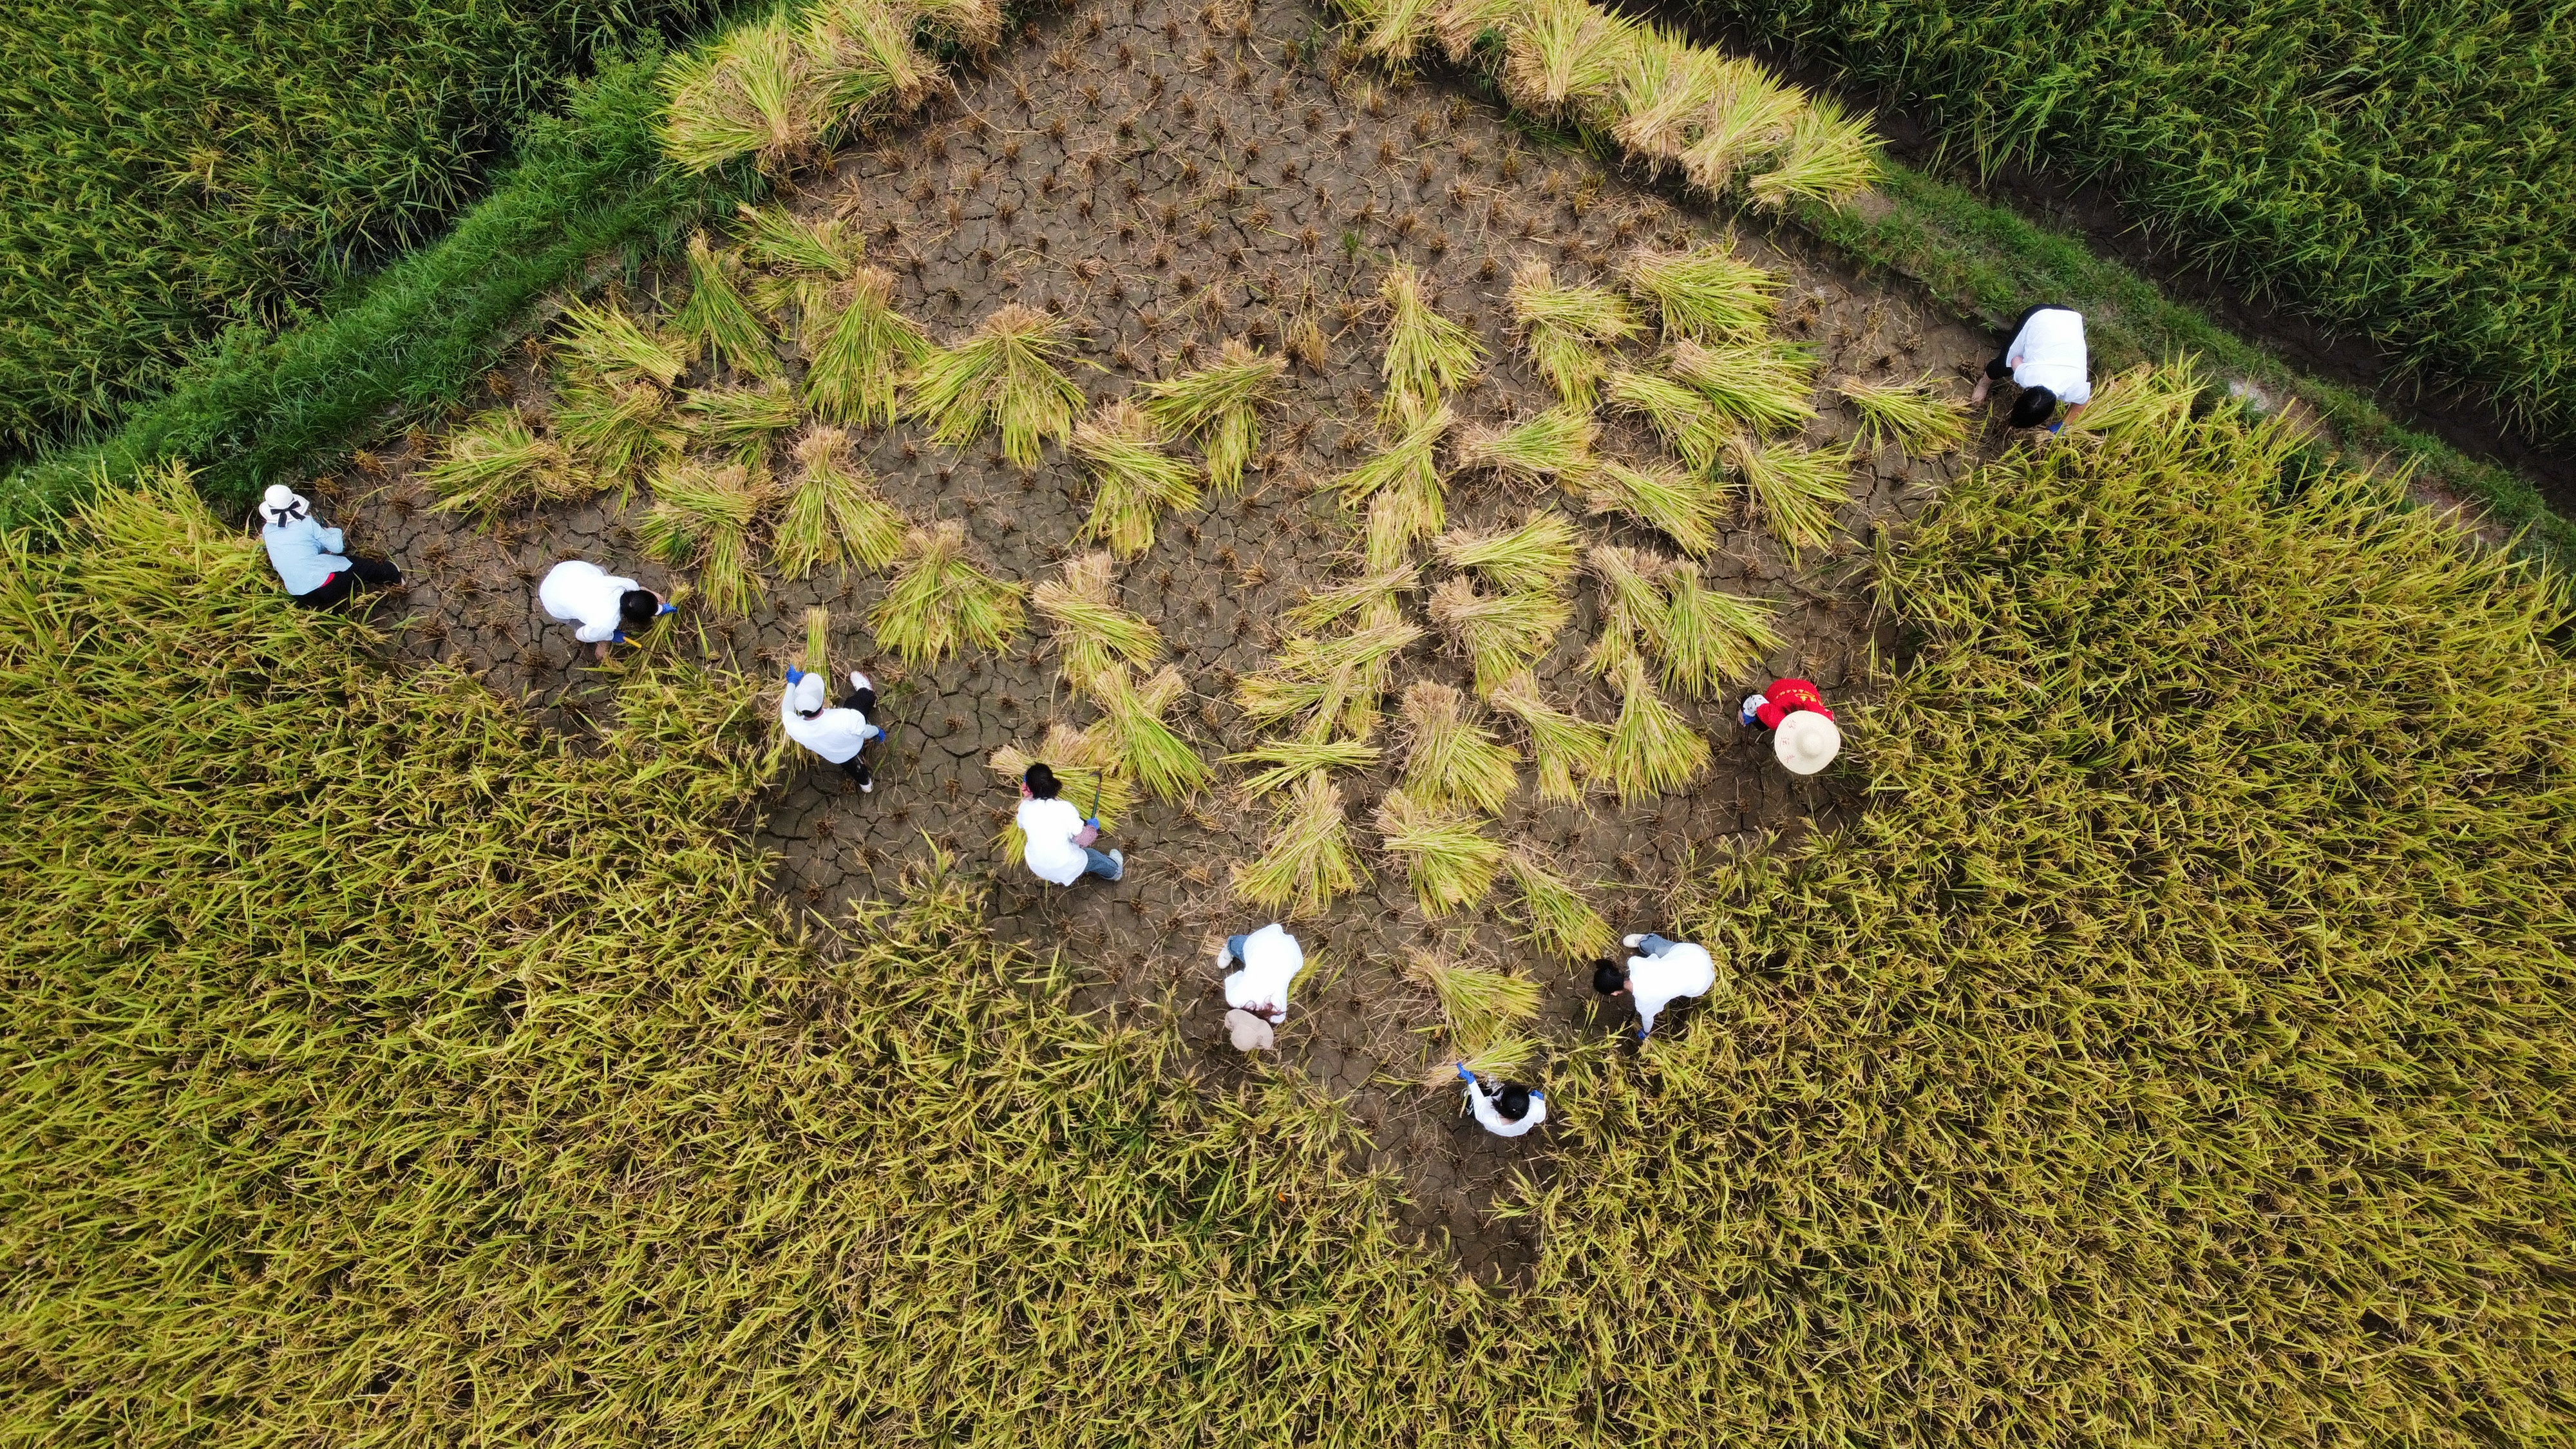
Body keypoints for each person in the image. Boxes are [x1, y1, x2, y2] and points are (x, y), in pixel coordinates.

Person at [258, 485, 402, 608]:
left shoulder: (267, 531)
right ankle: (394, 576)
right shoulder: (306, 523)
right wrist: (332, 531)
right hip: (327, 588)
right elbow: (338, 547)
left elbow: (301, 548)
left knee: (328, 570)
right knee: (361, 565)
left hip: (301, 595)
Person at [1967, 304, 2091, 430]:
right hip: (2039, 315)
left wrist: (2061, 427)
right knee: (2003, 365)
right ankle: (1983, 384)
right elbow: (2015, 359)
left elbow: (2082, 403)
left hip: (2070, 318)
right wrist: (2022, 366)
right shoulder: (2029, 376)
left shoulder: (2076, 388)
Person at [538, 558, 672, 662]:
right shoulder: (605, 624)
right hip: (552, 599)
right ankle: (602, 640)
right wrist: (610, 636)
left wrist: (652, 598)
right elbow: (580, 635)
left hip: (569, 570)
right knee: (582, 625)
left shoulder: (628, 585)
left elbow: (637, 591)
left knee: (602, 573)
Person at [1594, 932, 1716, 1041]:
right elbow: (1654, 960)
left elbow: (1648, 1021)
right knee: (1661, 950)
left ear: (1614, 993)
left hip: (1702, 983)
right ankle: (1645, 941)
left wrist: (1646, 1032)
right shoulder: (1635, 962)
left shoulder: (1644, 1003)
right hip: (1696, 954)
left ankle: (1644, 941)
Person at [1018, 762, 1122, 887]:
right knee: (1094, 858)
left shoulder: (1024, 807)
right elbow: (1083, 839)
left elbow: (1021, 825)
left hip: (1036, 864)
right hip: (1064, 864)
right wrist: (1092, 828)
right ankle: (1115, 871)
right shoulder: (1064, 809)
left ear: (1028, 789)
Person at [781, 667, 881, 792]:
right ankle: (869, 695)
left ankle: (866, 785)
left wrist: (791, 684)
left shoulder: (795, 728)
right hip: (854, 745)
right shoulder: (844, 718)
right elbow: (863, 730)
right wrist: (877, 732)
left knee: (852, 767)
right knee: (855, 703)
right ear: (823, 701)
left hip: (837, 756)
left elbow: (787, 711)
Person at [1216, 923, 1304, 1052]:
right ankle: (1232, 944)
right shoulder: (1235, 998)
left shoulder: (1278, 1013)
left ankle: (1230, 945)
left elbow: (1240, 974)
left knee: (1239, 947)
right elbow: (1237, 976)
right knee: (1249, 951)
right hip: (1277, 946)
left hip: (1294, 957)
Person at [1739, 677, 1842, 776]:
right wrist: (1745, 711)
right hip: (1780, 688)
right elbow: (1755, 700)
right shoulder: (1774, 718)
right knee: (1762, 726)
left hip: (1808, 688)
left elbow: (1829, 713)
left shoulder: (1826, 721)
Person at [1454, 1062, 1546, 1138]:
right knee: (1496, 1092)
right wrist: (1538, 1100)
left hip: (1482, 1111)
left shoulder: (1488, 1116)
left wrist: (1471, 1081)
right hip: (1517, 1128)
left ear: (1501, 1104)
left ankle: (1471, 1108)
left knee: (1467, 1094)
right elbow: (1540, 1118)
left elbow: (1479, 1102)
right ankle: (1496, 1090)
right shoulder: (1535, 1108)